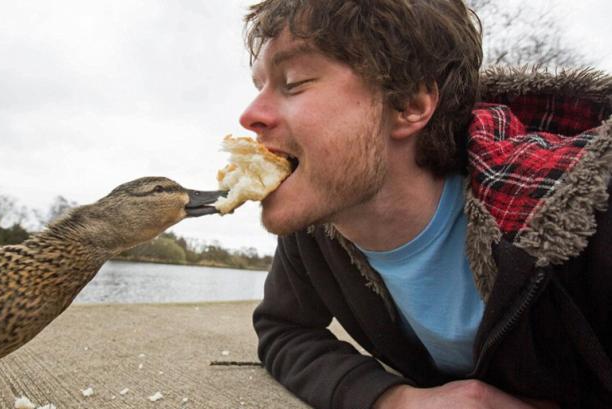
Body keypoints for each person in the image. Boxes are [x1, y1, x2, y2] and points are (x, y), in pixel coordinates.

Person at [237, 0, 612, 408]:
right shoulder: (319, 223)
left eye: (292, 82)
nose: (250, 115)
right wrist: (395, 399)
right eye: (260, 87)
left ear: (410, 105)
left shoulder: (580, 212)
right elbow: (283, 330)